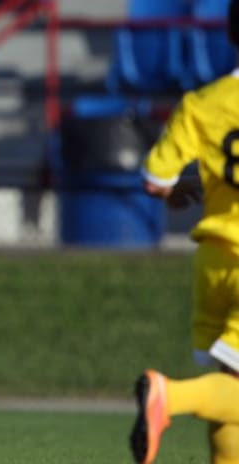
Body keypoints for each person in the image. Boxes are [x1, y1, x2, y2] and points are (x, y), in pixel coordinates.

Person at [129, 1, 239, 463]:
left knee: (230, 385)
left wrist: (183, 189)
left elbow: (156, 179)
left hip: (213, 261)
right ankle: (167, 397)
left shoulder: (203, 104)